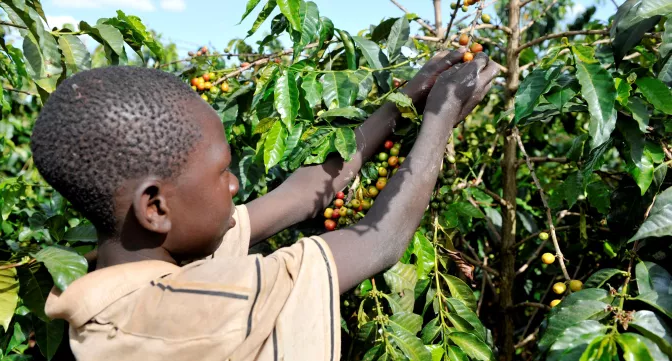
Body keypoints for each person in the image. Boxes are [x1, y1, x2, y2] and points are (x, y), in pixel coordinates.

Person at [34, 48, 498, 361]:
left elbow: (300, 194)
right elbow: (382, 241)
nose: (236, 186)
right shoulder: (206, 304)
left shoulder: (118, 285)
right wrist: (441, 119)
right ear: (154, 207)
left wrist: (404, 102)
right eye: (222, 172)